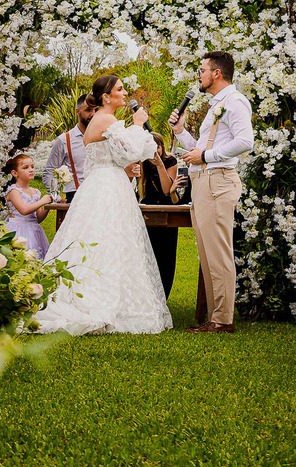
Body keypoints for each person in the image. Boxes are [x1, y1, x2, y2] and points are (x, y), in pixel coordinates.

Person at [31, 74, 173, 336]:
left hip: (104, 183)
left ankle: (110, 297)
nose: (125, 92)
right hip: (107, 187)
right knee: (107, 239)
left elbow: (121, 156)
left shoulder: (102, 120)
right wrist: (138, 124)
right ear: (106, 97)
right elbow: (130, 152)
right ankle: (97, 302)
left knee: (107, 240)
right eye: (120, 89)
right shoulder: (107, 119)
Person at [169, 51, 255, 333]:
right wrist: (180, 131)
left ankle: (223, 320)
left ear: (216, 73)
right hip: (204, 182)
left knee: (218, 252)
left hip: (218, 182)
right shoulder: (217, 104)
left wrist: (206, 156)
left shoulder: (235, 101)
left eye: (202, 70)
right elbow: (200, 148)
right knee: (207, 253)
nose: (199, 75)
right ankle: (215, 317)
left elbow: (246, 141)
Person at [138, 132, 183, 297]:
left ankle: (163, 295)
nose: (155, 151)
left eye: (157, 146)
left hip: (166, 211)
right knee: (146, 255)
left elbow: (166, 190)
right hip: (146, 212)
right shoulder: (141, 162)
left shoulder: (170, 161)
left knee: (165, 256)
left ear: (162, 147)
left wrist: (159, 165)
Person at [43, 96, 97, 201]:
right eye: (88, 110)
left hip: (102, 195)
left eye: (96, 110)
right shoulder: (64, 140)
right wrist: (57, 198)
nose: (93, 114)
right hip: (76, 197)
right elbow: (49, 171)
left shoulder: (103, 137)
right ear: (78, 112)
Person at [3, 154, 53, 258]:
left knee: (37, 257)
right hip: (18, 229)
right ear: (15, 173)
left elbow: (38, 218)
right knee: (22, 257)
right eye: (25, 168)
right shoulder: (14, 191)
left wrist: (47, 206)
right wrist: (42, 201)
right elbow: (24, 210)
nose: (31, 170)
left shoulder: (35, 192)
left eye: (32, 167)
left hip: (34, 230)